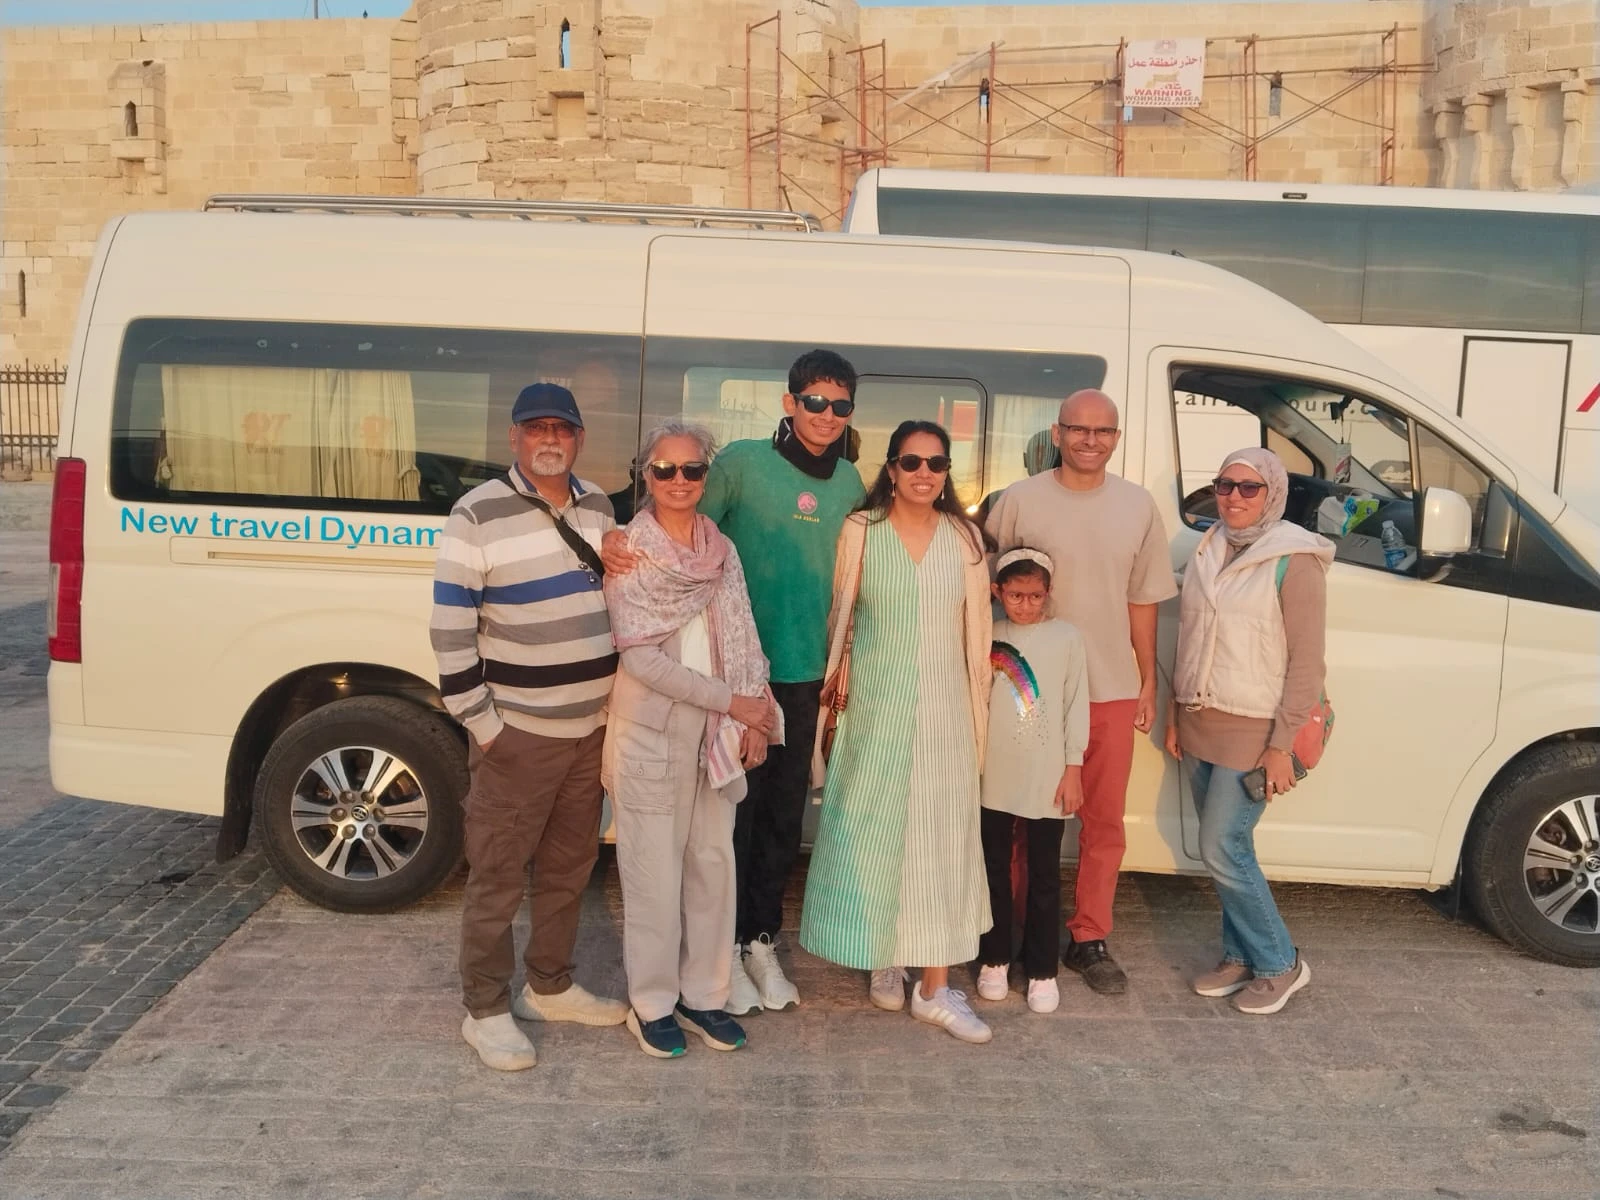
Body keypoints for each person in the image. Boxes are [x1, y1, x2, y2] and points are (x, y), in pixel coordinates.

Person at [602, 349, 866, 1016]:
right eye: (815, 402)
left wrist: (845, 661)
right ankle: (719, 956)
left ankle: (759, 941)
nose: (826, 416)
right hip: (728, 677)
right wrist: (610, 537)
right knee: (732, 825)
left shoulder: (850, 484)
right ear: (790, 402)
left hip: (802, 674)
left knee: (781, 820)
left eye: (840, 406)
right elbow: (679, 525)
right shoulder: (741, 464)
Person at [430, 382, 627, 1073]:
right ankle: (484, 1009)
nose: (550, 438)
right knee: (497, 876)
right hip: (518, 738)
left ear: (578, 438)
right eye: (535, 427)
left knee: (569, 870)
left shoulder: (599, 505)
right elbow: (450, 632)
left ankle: (551, 985)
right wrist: (488, 729)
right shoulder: (475, 514)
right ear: (513, 438)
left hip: (587, 735)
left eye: (562, 429)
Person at [800, 420, 995, 1044]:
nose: (923, 474)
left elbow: (979, 638)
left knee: (939, 842)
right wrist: (838, 687)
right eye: (911, 462)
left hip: (946, 716)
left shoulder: (965, 539)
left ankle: (935, 988)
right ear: (890, 468)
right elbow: (840, 613)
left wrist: (979, 719)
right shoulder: (861, 531)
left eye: (936, 464)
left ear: (946, 474)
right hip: (875, 712)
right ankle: (884, 954)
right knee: (875, 833)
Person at [986, 388, 1177, 996]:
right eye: (1078, 429)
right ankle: (1011, 933)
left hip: (1110, 688)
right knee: (1019, 814)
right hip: (1026, 689)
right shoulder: (1020, 500)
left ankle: (1089, 936)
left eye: (1103, 431)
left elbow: (1141, 599)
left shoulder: (1138, 507)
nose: (1090, 440)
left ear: (1116, 438)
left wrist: (1147, 679)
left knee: (1102, 822)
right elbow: (985, 588)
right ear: (1057, 433)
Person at [603, 421, 781, 1057]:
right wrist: (730, 701)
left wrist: (756, 714)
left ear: (706, 477)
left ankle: (704, 995)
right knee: (653, 874)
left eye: (692, 470)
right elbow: (641, 659)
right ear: (645, 476)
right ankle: (652, 1004)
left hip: (719, 733)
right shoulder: (629, 550)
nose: (680, 482)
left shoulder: (721, 549)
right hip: (653, 733)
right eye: (665, 470)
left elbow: (744, 635)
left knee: (713, 866)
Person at [1164, 447, 1331, 1015]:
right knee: (1225, 850)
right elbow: (1188, 638)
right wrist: (1174, 711)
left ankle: (1281, 962)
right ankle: (1239, 955)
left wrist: (1281, 744)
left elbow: (1307, 662)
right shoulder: (1209, 545)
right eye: (1224, 485)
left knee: (1221, 845)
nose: (1232, 497)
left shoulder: (1295, 558)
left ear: (1274, 494)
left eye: (1247, 487)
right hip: (1199, 718)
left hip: (1254, 729)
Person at [974, 548, 1089, 1016]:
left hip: (1048, 776)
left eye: (1035, 595)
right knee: (992, 869)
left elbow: (1074, 703)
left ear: (1048, 593)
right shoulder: (987, 634)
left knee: (1044, 875)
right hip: (992, 773)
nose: (1025, 605)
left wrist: (1073, 767)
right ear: (998, 592)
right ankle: (995, 958)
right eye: (1015, 595)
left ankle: (1042, 970)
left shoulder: (1066, 637)